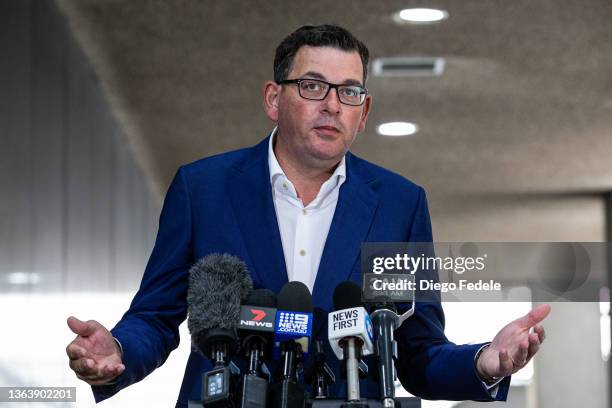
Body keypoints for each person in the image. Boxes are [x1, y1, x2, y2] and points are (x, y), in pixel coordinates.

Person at [66, 24, 549, 406]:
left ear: (364, 112)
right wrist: (119, 352)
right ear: (274, 100)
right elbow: (155, 315)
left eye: (349, 92)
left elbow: (418, 351)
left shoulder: (400, 205)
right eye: (314, 86)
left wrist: (485, 362)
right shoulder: (203, 189)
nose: (333, 106)